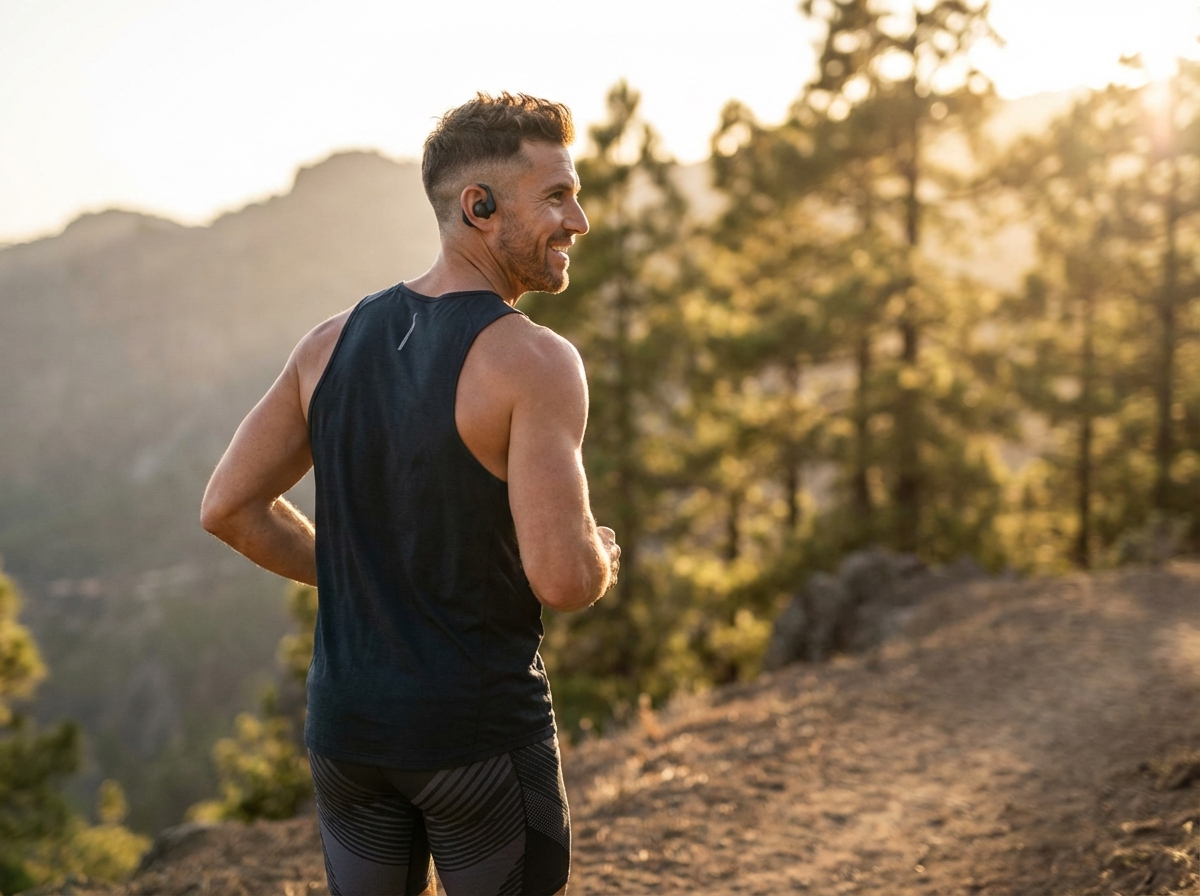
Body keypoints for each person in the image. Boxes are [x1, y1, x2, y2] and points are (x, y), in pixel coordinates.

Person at [200, 92, 621, 896]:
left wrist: (370, 578)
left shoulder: (328, 343)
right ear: (480, 206)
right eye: (559, 195)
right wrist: (599, 551)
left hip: (347, 734)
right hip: (476, 739)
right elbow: (565, 582)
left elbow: (228, 508)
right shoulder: (534, 361)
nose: (581, 221)